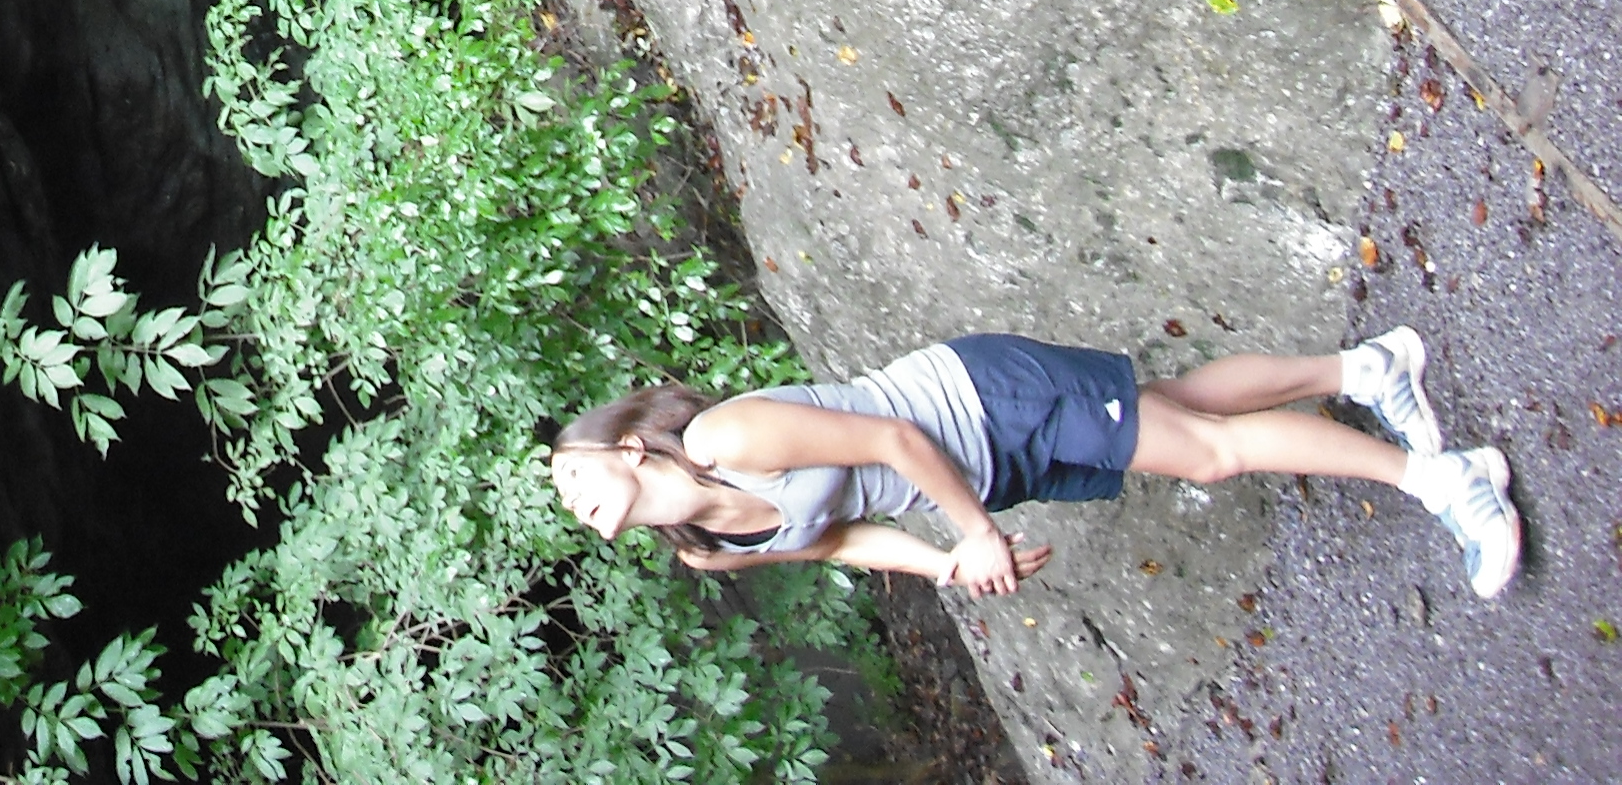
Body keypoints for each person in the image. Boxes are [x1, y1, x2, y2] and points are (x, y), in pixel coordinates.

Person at [547, 327, 1520, 600]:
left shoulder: (725, 439)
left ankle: (1446, 481)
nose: (574, 501)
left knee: (1208, 456)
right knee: (1177, 406)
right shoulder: (704, 546)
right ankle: (1370, 368)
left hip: (981, 400)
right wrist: (947, 562)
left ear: (629, 446)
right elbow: (840, 541)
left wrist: (974, 531)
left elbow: (893, 442)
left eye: (575, 476)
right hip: (991, 467)